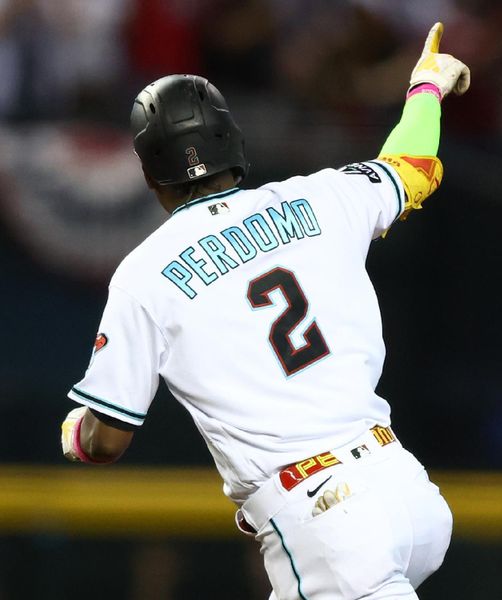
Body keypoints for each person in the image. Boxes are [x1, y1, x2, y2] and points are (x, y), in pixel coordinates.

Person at [60, 22, 470, 600]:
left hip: (327, 518)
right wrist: (425, 89)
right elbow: (411, 167)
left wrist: (76, 433)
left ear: (150, 172)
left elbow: (107, 439)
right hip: (406, 490)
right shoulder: (321, 197)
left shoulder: (145, 274)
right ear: (232, 141)